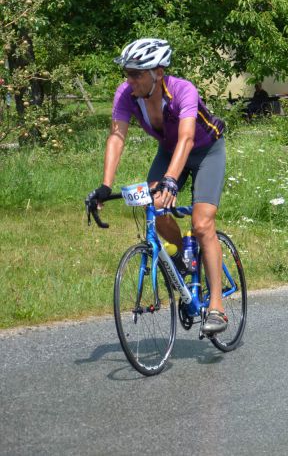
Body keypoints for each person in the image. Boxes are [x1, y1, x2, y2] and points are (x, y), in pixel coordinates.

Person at [87, 38, 229, 335]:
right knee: (153, 205)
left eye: (137, 73)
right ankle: (179, 254)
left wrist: (171, 180)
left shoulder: (182, 90)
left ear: (158, 72)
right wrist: (104, 185)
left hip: (206, 151)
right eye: (127, 73)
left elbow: (188, 137)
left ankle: (217, 306)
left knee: (202, 225)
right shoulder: (126, 94)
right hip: (168, 151)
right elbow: (117, 136)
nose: (130, 80)